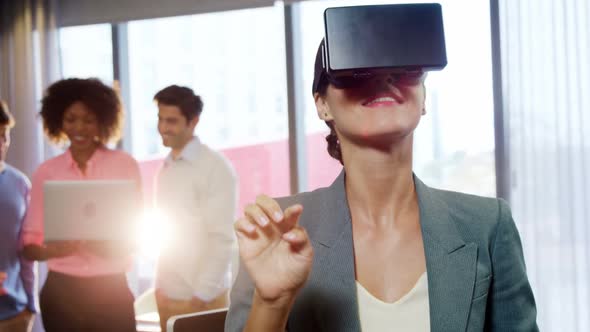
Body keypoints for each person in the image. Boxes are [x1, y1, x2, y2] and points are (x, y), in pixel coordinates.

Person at [226, 24, 538, 332]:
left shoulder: (487, 225)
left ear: (424, 97)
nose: (384, 77)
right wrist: (272, 303)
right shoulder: (278, 232)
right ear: (322, 104)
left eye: (406, 69)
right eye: (356, 71)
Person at [21, 78, 142, 332]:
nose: (79, 128)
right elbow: (29, 246)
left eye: (88, 119)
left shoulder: (124, 165)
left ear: (102, 121)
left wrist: (110, 247)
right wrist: (55, 251)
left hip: (111, 291)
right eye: (71, 119)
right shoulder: (47, 172)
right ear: (59, 122)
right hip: (62, 294)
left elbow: (137, 235)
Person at [153, 85, 238, 331]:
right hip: (167, 296)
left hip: (202, 300)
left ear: (193, 122)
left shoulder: (215, 167)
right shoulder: (166, 167)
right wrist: (159, 287)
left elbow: (221, 237)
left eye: (171, 121)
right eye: (160, 119)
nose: (163, 128)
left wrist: (202, 295)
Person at [0, 100, 37, 332]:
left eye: (4, 135)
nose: (1, 143)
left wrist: (31, 305)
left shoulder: (20, 183)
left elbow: (26, 252)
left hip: (15, 313)